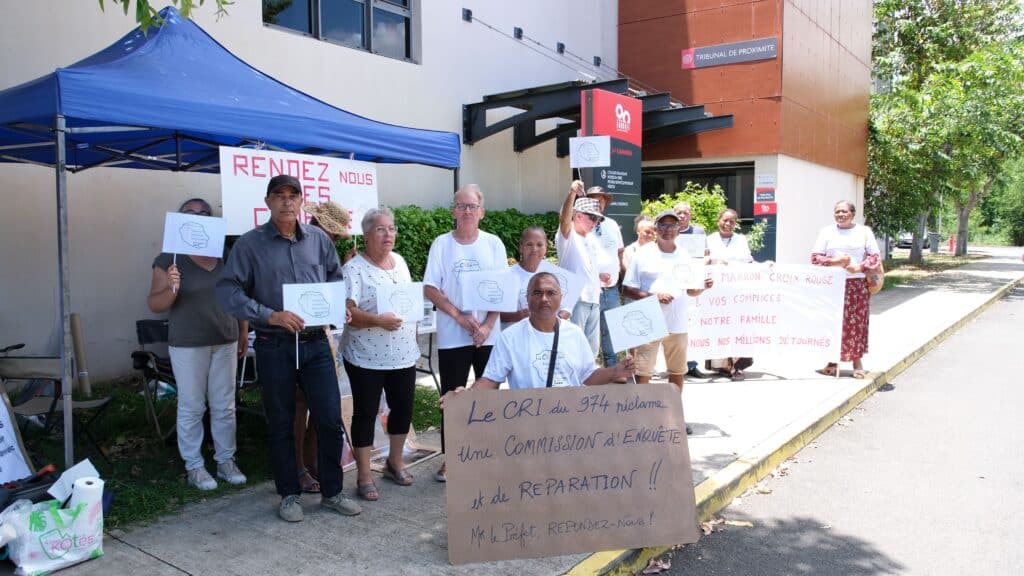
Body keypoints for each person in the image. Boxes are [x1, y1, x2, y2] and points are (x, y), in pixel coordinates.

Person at [216, 174, 361, 522]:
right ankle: (288, 495)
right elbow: (228, 291)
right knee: (281, 422)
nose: (286, 201)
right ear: (267, 202)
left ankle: (333, 491)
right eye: (278, 195)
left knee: (328, 419)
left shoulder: (319, 241)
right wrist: (270, 315)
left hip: (315, 344)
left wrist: (339, 302)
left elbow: (334, 277)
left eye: (292, 195)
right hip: (274, 344)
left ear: (301, 201)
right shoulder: (249, 245)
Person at [147, 198, 248, 491]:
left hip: (225, 339)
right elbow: (155, 304)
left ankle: (225, 460)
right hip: (188, 344)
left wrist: (242, 330)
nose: (199, 217)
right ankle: (194, 465)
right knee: (192, 405)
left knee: (224, 406)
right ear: (180, 219)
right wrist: (172, 287)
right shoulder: (169, 259)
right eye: (191, 213)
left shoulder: (223, 253)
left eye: (204, 213)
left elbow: (236, 295)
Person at [423, 184, 508, 483]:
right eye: (461, 205)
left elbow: (502, 290)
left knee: (489, 398)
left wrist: (486, 326)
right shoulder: (441, 244)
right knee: (452, 397)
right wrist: (459, 316)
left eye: (472, 206)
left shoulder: (494, 244)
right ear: (453, 210)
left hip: (488, 336)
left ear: (481, 212)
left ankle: (488, 455)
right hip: (453, 334)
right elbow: (431, 288)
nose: (467, 211)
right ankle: (452, 458)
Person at [447, 272, 635, 393]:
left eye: (551, 293)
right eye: (537, 293)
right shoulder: (510, 338)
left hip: (571, 419)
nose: (544, 299)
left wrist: (615, 371)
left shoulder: (574, 334)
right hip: (529, 423)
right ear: (527, 299)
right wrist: (467, 395)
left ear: (560, 298)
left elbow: (588, 376)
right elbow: (491, 380)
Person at [342, 207, 417, 501]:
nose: (389, 235)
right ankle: (363, 474)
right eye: (381, 229)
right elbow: (348, 312)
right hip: (366, 357)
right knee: (365, 413)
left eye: (392, 229)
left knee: (402, 409)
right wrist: (377, 320)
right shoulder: (354, 269)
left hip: (403, 354)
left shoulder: (400, 262)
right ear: (367, 235)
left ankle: (394, 463)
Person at [622, 210, 713, 433]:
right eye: (663, 225)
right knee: (643, 372)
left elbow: (691, 290)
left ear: (679, 228)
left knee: (677, 371)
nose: (668, 229)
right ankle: (641, 420)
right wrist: (655, 296)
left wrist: (703, 286)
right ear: (656, 228)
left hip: (678, 322)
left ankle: (673, 417)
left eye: (672, 225)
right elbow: (627, 288)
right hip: (648, 321)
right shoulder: (642, 254)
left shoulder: (684, 255)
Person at [288, 200, 351, 493]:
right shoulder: (295, 245)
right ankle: (298, 467)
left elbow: (330, 291)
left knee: (323, 405)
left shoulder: (327, 251)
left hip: (321, 335)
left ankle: (312, 463)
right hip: (293, 335)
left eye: (335, 237)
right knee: (300, 405)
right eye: (332, 233)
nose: (332, 239)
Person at [810, 200, 880, 379]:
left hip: (856, 284)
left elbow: (874, 257)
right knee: (833, 322)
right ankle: (833, 361)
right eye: (837, 212)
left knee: (856, 323)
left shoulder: (864, 232)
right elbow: (815, 258)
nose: (840, 215)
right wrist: (835, 262)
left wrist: (859, 268)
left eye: (844, 212)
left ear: (852, 214)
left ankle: (857, 362)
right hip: (832, 284)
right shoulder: (826, 232)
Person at [555, 180, 609, 357]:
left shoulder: (591, 238)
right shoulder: (567, 235)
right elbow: (564, 219)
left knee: (591, 352)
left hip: (594, 299)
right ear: (577, 216)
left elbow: (585, 266)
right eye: (592, 217)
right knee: (573, 350)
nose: (596, 222)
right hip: (574, 301)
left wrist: (599, 276)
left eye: (598, 218)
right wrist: (572, 193)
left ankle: (588, 384)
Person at [706, 208, 755, 380]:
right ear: (718, 220)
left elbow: (750, 262)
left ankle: (738, 366)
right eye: (724, 220)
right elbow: (703, 262)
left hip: (737, 292)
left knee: (738, 326)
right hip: (716, 293)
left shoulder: (741, 240)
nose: (727, 224)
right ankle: (723, 366)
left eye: (732, 221)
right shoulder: (709, 240)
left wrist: (764, 269)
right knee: (720, 327)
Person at [501, 226, 569, 330]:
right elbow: (497, 314)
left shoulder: (556, 274)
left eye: (540, 245)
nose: (534, 249)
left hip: (548, 338)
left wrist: (551, 322)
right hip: (517, 338)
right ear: (521, 247)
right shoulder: (507, 276)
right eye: (529, 244)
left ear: (546, 248)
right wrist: (519, 315)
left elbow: (567, 308)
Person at [588, 187, 625, 373]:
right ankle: (588, 373)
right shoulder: (581, 225)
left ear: (605, 203)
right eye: (593, 200)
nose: (598, 203)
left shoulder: (612, 224)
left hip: (611, 289)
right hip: (590, 290)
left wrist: (622, 279)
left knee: (612, 331)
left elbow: (619, 252)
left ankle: (613, 370)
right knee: (590, 333)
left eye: (601, 200)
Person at [674, 202, 711, 379]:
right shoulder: (668, 231)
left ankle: (692, 365)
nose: (682, 216)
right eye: (678, 213)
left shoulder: (699, 232)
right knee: (674, 327)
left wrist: (699, 265)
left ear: (691, 215)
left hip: (693, 283)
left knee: (692, 326)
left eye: (685, 213)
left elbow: (707, 255)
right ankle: (674, 366)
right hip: (673, 285)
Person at [622, 215, 655, 279]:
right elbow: (630, 274)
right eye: (647, 232)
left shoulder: (658, 250)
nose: (650, 235)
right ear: (638, 231)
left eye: (653, 233)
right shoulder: (629, 251)